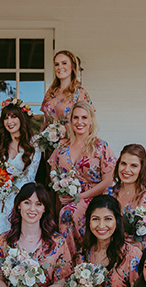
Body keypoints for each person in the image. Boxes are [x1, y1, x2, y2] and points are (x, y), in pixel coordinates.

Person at [48, 101, 116, 256]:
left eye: (84, 118)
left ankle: (89, 258)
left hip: (96, 197)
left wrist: (79, 197)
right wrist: (61, 189)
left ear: (91, 120)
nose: (80, 122)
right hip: (67, 199)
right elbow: (53, 171)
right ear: (70, 121)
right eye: (76, 118)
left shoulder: (100, 146)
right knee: (65, 213)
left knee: (69, 213)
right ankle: (69, 262)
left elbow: (108, 180)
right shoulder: (62, 146)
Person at [0, 100, 41, 267]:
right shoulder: (0, 144)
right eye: (6, 118)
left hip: (23, 193)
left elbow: (30, 176)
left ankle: (18, 259)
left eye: (14, 117)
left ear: (22, 119)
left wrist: (11, 186)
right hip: (3, 194)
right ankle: (0, 260)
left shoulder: (33, 144)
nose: (10, 121)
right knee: (1, 204)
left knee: (13, 204)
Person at [41, 50, 93, 127]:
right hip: (48, 137)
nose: (60, 67)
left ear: (72, 66)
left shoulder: (80, 93)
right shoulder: (50, 92)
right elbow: (45, 122)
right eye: (56, 64)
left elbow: (88, 123)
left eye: (64, 63)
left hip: (71, 138)